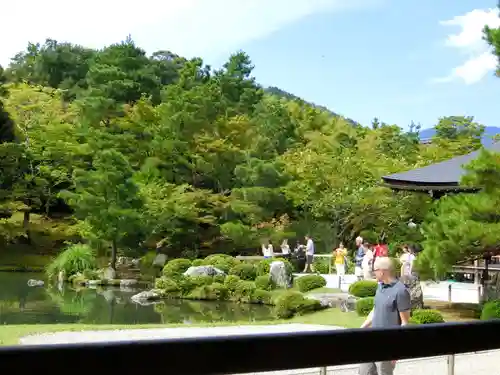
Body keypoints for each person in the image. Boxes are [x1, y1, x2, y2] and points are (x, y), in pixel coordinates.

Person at [359, 257, 411, 375]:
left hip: (387, 345)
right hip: (372, 341)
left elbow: (405, 323)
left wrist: (396, 350)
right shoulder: (380, 287)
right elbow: (375, 310)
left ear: (383, 271)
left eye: (375, 270)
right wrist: (361, 328)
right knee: (364, 372)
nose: (373, 273)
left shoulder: (401, 291)